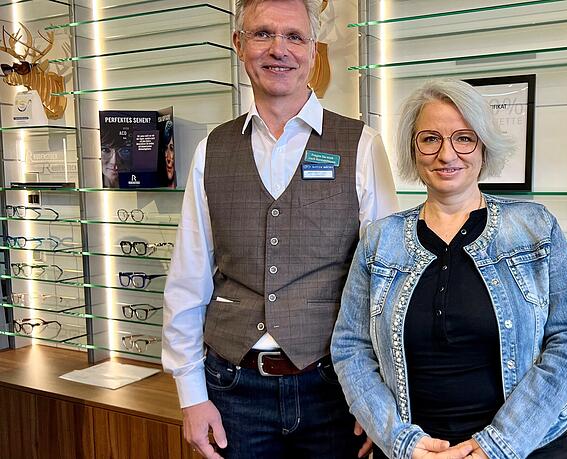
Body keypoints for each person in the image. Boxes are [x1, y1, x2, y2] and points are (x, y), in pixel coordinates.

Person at [161, 0, 398, 457]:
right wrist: (191, 395)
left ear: (314, 51)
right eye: (262, 34)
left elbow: (387, 284)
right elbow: (188, 279)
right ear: (239, 45)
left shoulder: (362, 145)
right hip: (232, 389)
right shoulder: (212, 149)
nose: (279, 50)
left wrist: (380, 398)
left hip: (334, 390)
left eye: (294, 37)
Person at [331, 79, 567, 459]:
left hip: (529, 447)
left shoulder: (536, 229)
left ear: (483, 146)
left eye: (464, 138)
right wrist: (401, 441)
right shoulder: (379, 241)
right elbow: (350, 348)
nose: (446, 154)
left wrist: (496, 446)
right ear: (413, 149)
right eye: (430, 138)